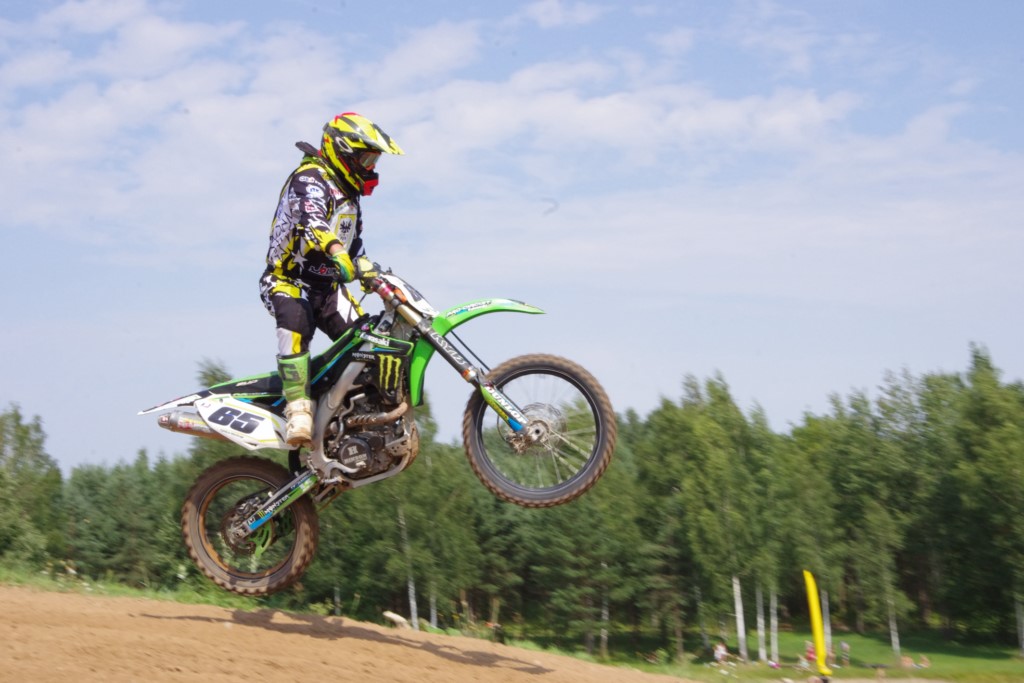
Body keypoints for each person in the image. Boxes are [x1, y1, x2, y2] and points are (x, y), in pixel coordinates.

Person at [259, 112, 404, 446]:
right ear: (342, 152)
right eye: (366, 159)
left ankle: (353, 416)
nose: (370, 167)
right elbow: (311, 219)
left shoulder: (349, 196)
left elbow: (354, 244)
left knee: (368, 343)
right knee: (295, 322)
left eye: (374, 160)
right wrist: (336, 250)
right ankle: (298, 409)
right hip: (288, 281)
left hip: (327, 289)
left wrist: (368, 270)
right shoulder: (310, 178)